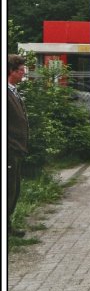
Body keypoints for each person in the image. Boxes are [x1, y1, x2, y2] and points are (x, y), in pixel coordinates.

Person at [7, 54, 29, 238]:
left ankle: (7, 225)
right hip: (9, 148)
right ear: (11, 71)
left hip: (17, 148)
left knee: (14, 188)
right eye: (21, 70)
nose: (23, 73)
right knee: (8, 188)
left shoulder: (13, 91)